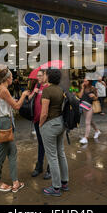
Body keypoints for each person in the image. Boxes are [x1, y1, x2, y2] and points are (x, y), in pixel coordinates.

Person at [0, 65, 30, 193]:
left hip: (0, 121)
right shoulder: (4, 90)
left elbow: (4, 104)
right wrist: (24, 94)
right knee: (4, 153)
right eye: (12, 77)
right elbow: (17, 107)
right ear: (7, 78)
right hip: (5, 122)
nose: (12, 79)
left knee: (9, 152)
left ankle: (13, 182)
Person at [39, 69, 69, 197]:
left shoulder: (47, 90)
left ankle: (55, 188)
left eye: (45, 74)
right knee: (60, 153)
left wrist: (40, 125)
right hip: (61, 123)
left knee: (52, 157)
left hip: (50, 125)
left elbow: (44, 113)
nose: (43, 75)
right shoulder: (60, 89)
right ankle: (64, 183)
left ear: (49, 76)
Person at [28, 70, 51, 179]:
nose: (39, 78)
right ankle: (39, 166)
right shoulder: (37, 86)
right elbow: (29, 98)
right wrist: (34, 92)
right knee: (40, 144)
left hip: (46, 121)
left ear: (46, 75)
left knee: (49, 145)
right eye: (38, 76)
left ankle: (50, 168)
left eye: (40, 76)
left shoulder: (49, 87)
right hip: (37, 120)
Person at [78, 79, 101, 144]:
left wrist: (94, 96)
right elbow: (80, 96)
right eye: (84, 81)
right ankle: (97, 131)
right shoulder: (83, 88)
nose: (84, 82)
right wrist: (82, 88)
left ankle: (86, 138)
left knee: (87, 122)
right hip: (84, 106)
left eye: (86, 81)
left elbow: (96, 98)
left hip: (90, 107)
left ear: (89, 82)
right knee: (90, 121)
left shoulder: (93, 88)